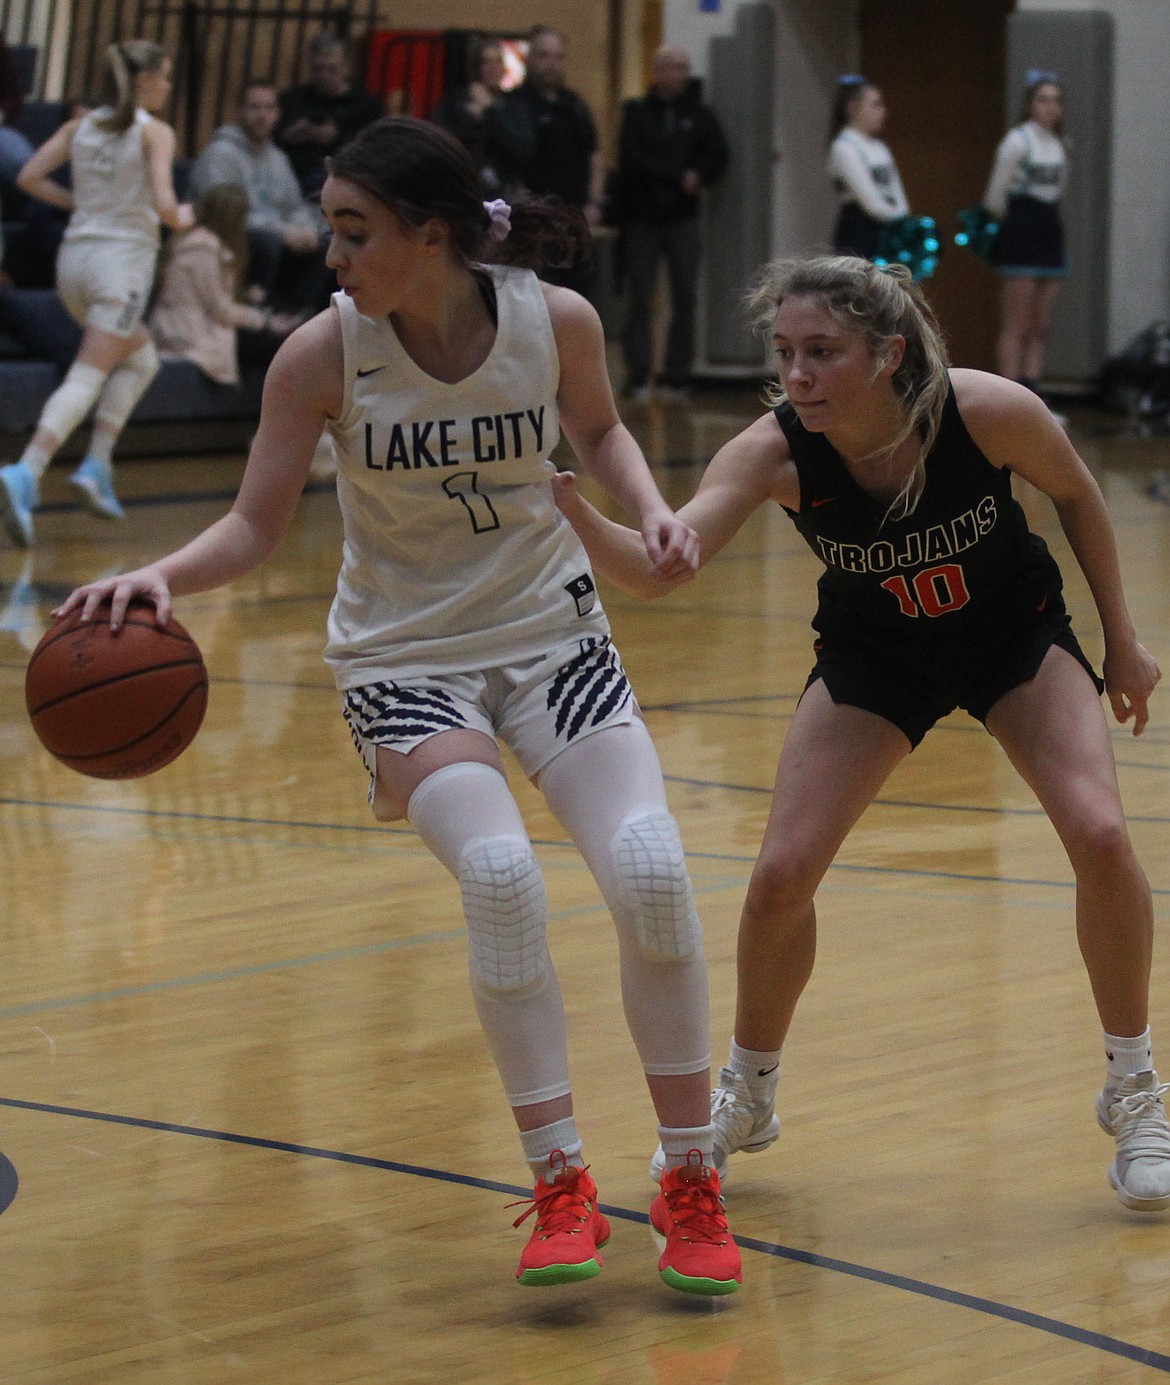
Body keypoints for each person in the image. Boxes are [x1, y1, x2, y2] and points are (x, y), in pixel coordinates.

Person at [53, 116, 744, 1295]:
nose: (331, 253)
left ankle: (690, 1178)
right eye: (330, 228)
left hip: (552, 635)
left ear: (432, 238)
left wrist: (652, 503)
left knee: (650, 866)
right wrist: (160, 575)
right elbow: (256, 527)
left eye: (355, 231)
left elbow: (604, 430)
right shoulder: (320, 357)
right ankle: (560, 1179)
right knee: (500, 879)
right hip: (404, 657)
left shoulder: (553, 320)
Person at [551, 253, 1170, 1215]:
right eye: (786, 352)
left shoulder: (984, 409)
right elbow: (658, 568)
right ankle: (748, 1093)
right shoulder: (772, 451)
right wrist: (574, 514)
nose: (798, 376)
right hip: (877, 653)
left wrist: (1122, 642)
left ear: (888, 353)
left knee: (1098, 834)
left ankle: (1134, 1091)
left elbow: (1082, 494)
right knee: (780, 875)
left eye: (823, 353)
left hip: (1013, 636)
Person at [0, 41, 193, 549]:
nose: (168, 87)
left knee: (143, 359)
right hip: (119, 269)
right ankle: (27, 470)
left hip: (74, 266)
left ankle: (97, 465)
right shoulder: (155, 133)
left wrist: (77, 201)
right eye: (165, 77)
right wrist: (193, 217)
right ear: (147, 78)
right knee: (90, 373)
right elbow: (168, 206)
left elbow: (27, 177)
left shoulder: (77, 126)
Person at [613, 44, 729, 402]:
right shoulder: (637, 112)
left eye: (684, 67)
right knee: (641, 298)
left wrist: (699, 175)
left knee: (685, 297)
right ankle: (638, 374)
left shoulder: (699, 114)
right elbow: (630, 158)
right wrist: (676, 175)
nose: (679, 74)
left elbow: (720, 155)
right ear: (657, 70)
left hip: (683, 219)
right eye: (672, 67)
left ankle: (678, 375)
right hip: (643, 218)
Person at [189, 80, 330, 315]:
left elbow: (293, 206)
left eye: (269, 108)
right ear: (239, 112)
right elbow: (226, 215)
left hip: (275, 235)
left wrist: (306, 230)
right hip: (233, 236)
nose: (262, 116)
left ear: (277, 114)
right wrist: (282, 231)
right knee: (266, 243)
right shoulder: (219, 154)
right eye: (254, 107)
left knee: (322, 244)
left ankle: (296, 316)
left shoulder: (278, 158)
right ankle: (257, 314)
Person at [489, 26, 604, 295]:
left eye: (557, 57)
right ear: (529, 60)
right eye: (543, 56)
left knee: (577, 295)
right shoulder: (513, 105)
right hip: (532, 221)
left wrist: (595, 202)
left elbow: (594, 154)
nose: (550, 64)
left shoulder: (574, 106)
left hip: (574, 219)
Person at [149, 183, 299, 386]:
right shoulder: (203, 248)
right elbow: (220, 310)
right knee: (282, 345)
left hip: (191, 324)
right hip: (188, 332)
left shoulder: (194, 240)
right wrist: (265, 321)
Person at [985, 72, 1069, 413]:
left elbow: (1058, 189)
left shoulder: (1061, 144)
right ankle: (1010, 397)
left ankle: (1034, 397)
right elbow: (994, 196)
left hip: (1050, 226)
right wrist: (1013, 227)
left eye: (1056, 100)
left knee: (1041, 323)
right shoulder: (1017, 141)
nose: (1050, 107)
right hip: (1021, 226)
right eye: (1042, 99)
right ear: (1029, 105)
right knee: (1016, 322)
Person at [276, 31, 384, 199]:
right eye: (318, 69)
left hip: (348, 181)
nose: (324, 75)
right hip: (292, 180)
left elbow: (376, 147)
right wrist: (290, 135)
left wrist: (338, 137)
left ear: (347, 67)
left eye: (332, 69)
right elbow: (272, 140)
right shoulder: (292, 99)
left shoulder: (365, 105)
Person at [826, 75, 909, 260]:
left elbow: (897, 192)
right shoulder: (843, 147)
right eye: (875, 105)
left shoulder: (880, 147)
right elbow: (870, 203)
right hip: (859, 234)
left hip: (888, 233)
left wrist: (905, 223)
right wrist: (899, 220)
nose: (883, 111)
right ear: (853, 109)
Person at [429, 36, 507, 196]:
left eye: (498, 61)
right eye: (487, 62)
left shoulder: (513, 103)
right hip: (462, 186)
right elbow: (441, 139)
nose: (494, 67)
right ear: (476, 67)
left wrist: (489, 111)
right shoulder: (456, 102)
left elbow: (519, 147)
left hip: (501, 191)